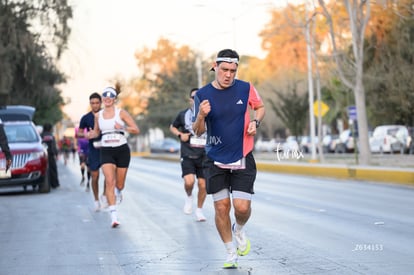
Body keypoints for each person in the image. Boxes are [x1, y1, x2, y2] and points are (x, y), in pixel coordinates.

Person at [192, 49, 265, 269]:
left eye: (233, 71)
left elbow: (260, 107)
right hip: (215, 159)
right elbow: (197, 131)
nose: (228, 75)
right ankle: (230, 251)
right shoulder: (202, 94)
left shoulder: (246, 88)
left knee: (241, 208)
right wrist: (201, 115)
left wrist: (255, 122)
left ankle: (239, 230)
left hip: (242, 156)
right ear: (215, 67)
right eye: (224, 70)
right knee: (221, 208)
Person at [88, 86, 140, 228]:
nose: (107, 98)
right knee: (109, 181)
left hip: (122, 150)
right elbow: (97, 132)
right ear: (103, 98)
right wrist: (91, 134)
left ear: (115, 99)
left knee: (119, 184)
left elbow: (136, 129)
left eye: (111, 96)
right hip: (106, 151)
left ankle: (118, 191)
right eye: (105, 95)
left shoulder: (121, 113)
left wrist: (122, 127)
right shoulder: (98, 116)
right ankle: (114, 216)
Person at [170, 88, 207, 222]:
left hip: (204, 155)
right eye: (194, 97)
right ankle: (189, 196)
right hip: (188, 154)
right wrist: (180, 134)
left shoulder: (209, 114)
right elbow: (172, 127)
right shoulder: (183, 115)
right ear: (190, 99)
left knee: (203, 185)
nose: (196, 99)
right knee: (189, 181)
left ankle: (199, 210)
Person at [77, 92, 106, 211]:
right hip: (93, 149)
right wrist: (86, 134)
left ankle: (104, 195)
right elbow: (78, 133)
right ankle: (96, 200)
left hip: (106, 148)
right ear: (90, 104)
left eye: (97, 103)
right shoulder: (85, 118)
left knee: (108, 175)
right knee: (95, 176)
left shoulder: (106, 115)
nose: (95, 105)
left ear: (101, 103)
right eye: (92, 103)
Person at [41, 123, 60, 188]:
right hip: (51, 155)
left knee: (45, 170)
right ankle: (54, 184)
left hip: (43, 155)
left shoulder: (41, 135)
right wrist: (56, 154)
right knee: (53, 169)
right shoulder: (51, 136)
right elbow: (54, 146)